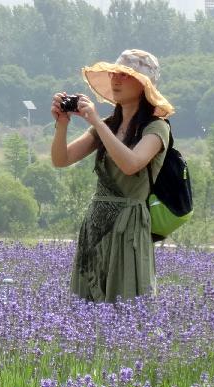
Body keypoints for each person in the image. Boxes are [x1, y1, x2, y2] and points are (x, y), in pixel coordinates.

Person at [51, 49, 174, 303]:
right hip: (96, 224)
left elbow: (131, 164)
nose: (116, 80)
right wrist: (62, 124)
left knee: (126, 301)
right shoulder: (108, 124)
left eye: (125, 75)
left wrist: (97, 122)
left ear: (143, 85)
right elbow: (61, 159)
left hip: (128, 225)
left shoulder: (156, 127)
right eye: (114, 74)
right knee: (86, 305)